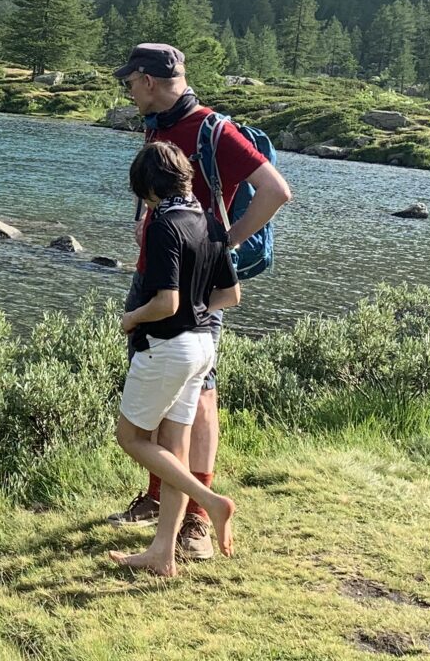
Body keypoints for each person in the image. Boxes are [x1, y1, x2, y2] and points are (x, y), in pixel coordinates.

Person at [109, 42, 293, 560]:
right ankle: (157, 502)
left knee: (199, 397)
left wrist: (224, 245)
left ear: (147, 80)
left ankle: (196, 520)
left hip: (189, 285)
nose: (128, 91)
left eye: (130, 83)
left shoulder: (214, 130)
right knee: (168, 392)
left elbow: (276, 191)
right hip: (157, 273)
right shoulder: (159, 126)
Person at [107, 141, 240, 577]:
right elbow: (231, 296)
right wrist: (198, 310)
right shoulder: (210, 221)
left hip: (168, 347)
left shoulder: (164, 223)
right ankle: (163, 552)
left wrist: (131, 318)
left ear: (148, 188)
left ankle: (213, 503)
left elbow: (165, 302)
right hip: (203, 345)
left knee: (132, 438)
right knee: (173, 448)